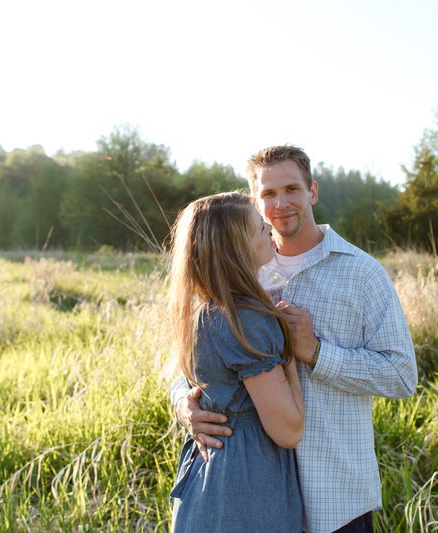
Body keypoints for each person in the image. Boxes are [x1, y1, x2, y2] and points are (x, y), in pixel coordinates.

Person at [170, 145, 418, 532]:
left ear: (312, 192)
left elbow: (402, 376)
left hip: (335, 496)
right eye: (268, 194)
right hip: (251, 493)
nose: (281, 203)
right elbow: (192, 362)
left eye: (292, 189)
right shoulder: (239, 269)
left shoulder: (362, 274)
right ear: (255, 201)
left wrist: (316, 353)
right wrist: (184, 408)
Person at [167, 191, 306, 532]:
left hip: (210, 481)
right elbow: (289, 431)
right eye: (260, 229)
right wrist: (290, 352)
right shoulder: (246, 319)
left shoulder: (205, 310)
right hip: (244, 488)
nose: (270, 232)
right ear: (236, 247)